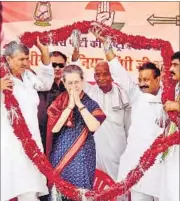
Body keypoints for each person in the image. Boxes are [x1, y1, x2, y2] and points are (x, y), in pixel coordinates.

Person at [91, 27, 165, 201]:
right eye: (140, 80)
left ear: (157, 79)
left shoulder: (169, 99)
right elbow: (118, 70)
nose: (142, 84)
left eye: (146, 80)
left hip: (161, 166)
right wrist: (106, 46)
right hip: (137, 166)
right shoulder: (135, 94)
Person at [1, 38, 54, 201]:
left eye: (27, 58)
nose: (25, 63)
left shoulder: (29, 76)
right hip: (9, 143)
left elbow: (46, 84)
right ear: (8, 59)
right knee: (7, 186)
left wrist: (45, 54)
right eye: (21, 59)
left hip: (31, 142)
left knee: (30, 190)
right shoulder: (2, 78)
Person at [46, 65, 106, 201]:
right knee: (58, 193)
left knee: (81, 193)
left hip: (83, 156)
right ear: (63, 83)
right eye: (70, 83)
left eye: (77, 82)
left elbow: (93, 126)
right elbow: (54, 128)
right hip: (60, 156)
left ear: (83, 81)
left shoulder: (91, 103)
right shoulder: (59, 102)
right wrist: (69, 107)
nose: (74, 86)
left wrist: (79, 105)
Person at [72, 48, 131, 184]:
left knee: (117, 185)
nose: (101, 78)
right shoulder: (91, 92)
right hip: (94, 151)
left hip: (116, 151)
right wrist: (76, 58)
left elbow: (128, 125)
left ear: (112, 75)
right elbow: (76, 78)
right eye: (98, 75)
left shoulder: (123, 95)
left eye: (105, 74)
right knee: (95, 185)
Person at [159, 51, 180, 201]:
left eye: (176, 65)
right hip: (171, 147)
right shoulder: (176, 87)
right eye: (171, 64)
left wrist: (177, 106)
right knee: (169, 190)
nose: (171, 69)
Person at [38, 51, 67, 151]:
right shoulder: (38, 86)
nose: (57, 68)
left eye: (61, 65)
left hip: (60, 140)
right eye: (53, 65)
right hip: (41, 138)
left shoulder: (66, 89)